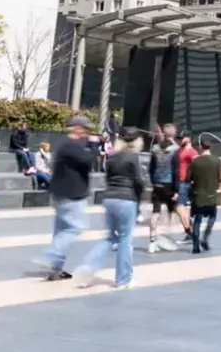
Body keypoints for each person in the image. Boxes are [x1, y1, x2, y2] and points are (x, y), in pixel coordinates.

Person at [72, 133, 144, 289]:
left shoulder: (111, 157)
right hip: (126, 198)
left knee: (110, 238)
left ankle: (87, 267)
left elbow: (107, 178)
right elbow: (139, 182)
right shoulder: (133, 158)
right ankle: (123, 279)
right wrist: (139, 201)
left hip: (109, 197)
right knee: (125, 239)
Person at [36, 116, 98, 281]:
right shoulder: (71, 146)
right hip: (72, 194)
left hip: (61, 193)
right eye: (85, 129)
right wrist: (93, 145)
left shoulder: (64, 144)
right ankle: (51, 256)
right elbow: (89, 160)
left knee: (61, 231)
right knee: (74, 228)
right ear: (78, 128)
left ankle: (55, 268)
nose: (87, 133)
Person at [146, 131, 182, 251]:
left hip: (157, 183)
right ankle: (168, 234)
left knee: (155, 212)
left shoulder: (155, 150)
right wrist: (177, 190)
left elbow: (150, 168)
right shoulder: (174, 152)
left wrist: (153, 181)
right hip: (169, 184)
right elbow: (176, 171)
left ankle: (152, 240)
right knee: (173, 210)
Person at [189, 139, 221, 253]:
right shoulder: (217, 161)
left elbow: (188, 178)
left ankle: (195, 245)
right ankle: (205, 237)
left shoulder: (195, 161)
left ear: (200, 147)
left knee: (197, 220)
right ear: (211, 147)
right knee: (212, 217)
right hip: (211, 195)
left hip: (198, 195)